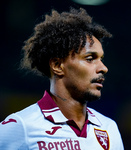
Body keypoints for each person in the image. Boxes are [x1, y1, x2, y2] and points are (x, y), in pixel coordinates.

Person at [0, 7, 124, 150]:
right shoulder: (21, 126)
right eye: (90, 59)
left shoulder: (109, 128)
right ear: (57, 65)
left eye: (101, 59)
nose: (103, 68)